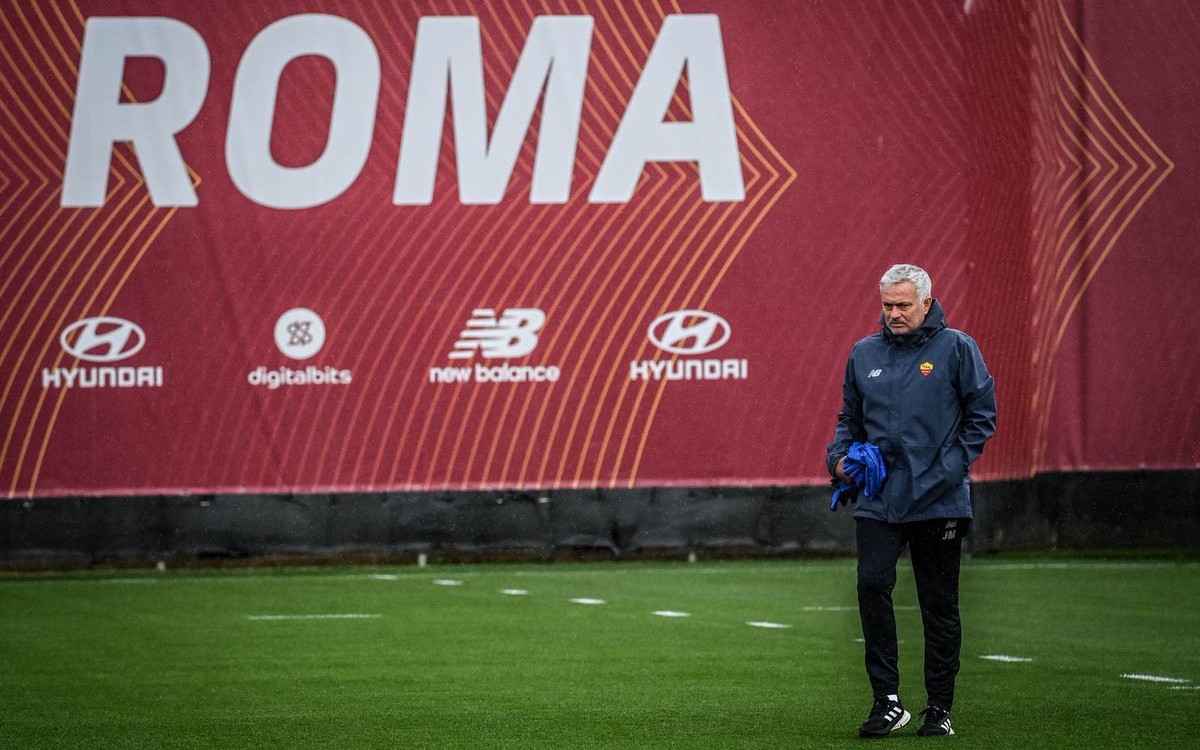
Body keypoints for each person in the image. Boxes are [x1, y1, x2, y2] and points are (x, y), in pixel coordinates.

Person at [827, 264, 996, 738]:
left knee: (938, 604)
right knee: (871, 585)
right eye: (887, 305)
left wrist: (946, 471)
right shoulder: (864, 353)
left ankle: (939, 707)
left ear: (926, 301)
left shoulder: (957, 348)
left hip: (939, 500)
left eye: (903, 305)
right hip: (880, 498)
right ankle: (888, 701)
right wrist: (838, 459)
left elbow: (981, 416)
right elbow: (849, 418)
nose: (895, 314)